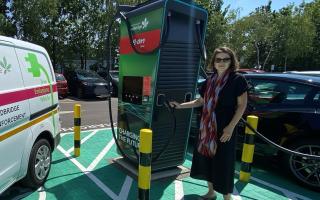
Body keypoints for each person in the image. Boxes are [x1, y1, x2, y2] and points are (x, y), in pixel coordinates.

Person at [170, 47, 248, 200]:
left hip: (225, 127)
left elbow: (242, 105)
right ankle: (211, 192)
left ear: (231, 61)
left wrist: (230, 127)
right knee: (206, 159)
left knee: (224, 162)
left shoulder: (237, 80)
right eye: (218, 59)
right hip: (207, 128)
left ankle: (227, 197)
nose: (222, 62)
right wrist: (180, 106)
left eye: (226, 59)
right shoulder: (209, 81)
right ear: (214, 62)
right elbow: (200, 101)